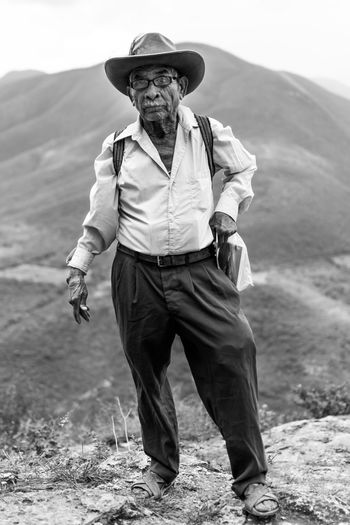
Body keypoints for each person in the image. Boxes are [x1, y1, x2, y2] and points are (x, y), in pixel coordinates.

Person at [66, 33, 279, 518]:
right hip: (137, 275)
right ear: (130, 94)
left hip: (201, 271)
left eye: (162, 80)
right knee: (148, 372)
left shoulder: (206, 132)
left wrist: (227, 208)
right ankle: (160, 469)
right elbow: (103, 218)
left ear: (181, 86)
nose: (151, 91)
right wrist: (79, 265)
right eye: (140, 83)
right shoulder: (118, 148)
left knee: (232, 355)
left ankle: (251, 480)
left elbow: (243, 170)